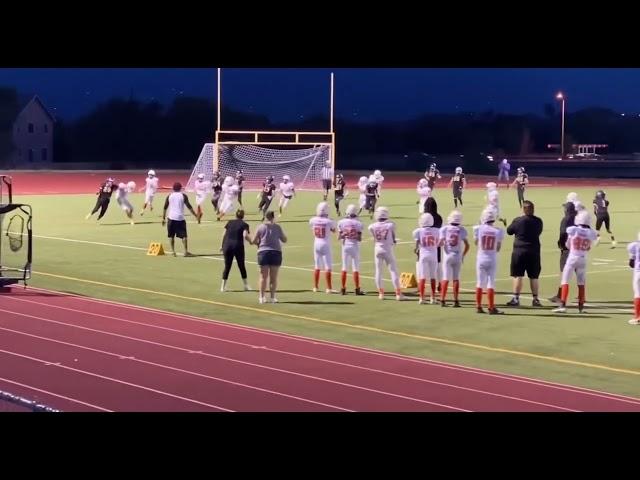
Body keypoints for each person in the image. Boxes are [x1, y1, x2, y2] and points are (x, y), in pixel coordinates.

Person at [553, 211, 598, 314]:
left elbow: (568, 245)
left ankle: (562, 305)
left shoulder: (573, 230)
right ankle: (581, 307)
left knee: (565, 280)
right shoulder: (590, 233)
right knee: (581, 283)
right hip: (583, 258)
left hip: (572, 257)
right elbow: (589, 246)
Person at [505, 200, 543, 307]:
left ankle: (516, 298)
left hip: (519, 251)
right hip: (534, 251)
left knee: (518, 275)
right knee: (534, 276)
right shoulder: (538, 221)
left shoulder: (518, 221)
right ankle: (535, 299)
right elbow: (539, 231)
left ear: (524, 209)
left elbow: (509, 231)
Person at [368, 206, 405, 301]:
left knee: (378, 271)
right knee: (393, 271)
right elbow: (393, 235)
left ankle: (381, 293)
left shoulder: (372, 226)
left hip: (377, 249)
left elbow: (373, 234)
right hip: (387, 249)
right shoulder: (391, 225)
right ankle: (398, 293)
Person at [251, 211, 287, 304]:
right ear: (273, 217)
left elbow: (253, 240)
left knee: (263, 276)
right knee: (273, 277)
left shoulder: (260, 227)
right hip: (276, 252)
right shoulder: (277, 227)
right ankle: (272, 297)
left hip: (263, 252)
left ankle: (261, 297)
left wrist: (259, 243)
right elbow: (284, 239)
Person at [473, 207, 504, 314]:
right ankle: (491, 307)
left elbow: (476, 242)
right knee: (491, 283)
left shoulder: (479, 229)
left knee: (480, 282)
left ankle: (478, 306)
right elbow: (498, 248)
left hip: (481, 258)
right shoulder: (498, 231)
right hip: (492, 258)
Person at [438, 210, 470, 307]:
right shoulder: (462, 230)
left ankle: (442, 299)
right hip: (457, 256)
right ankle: (456, 300)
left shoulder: (444, 229)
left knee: (445, 279)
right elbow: (467, 245)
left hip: (447, 256)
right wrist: (463, 255)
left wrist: (443, 243)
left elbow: (440, 243)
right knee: (456, 279)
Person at [548, 201, 577, 304]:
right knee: (579, 274)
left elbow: (563, 233)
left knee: (563, 272)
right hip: (578, 249)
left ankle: (561, 296)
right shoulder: (577, 218)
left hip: (567, 249)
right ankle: (581, 297)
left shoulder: (566, 220)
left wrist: (561, 244)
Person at [162, 182, 197, 257]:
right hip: (180, 218)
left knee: (171, 236)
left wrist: (163, 218)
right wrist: (195, 215)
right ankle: (185, 252)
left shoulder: (169, 196)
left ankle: (173, 252)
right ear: (180, 188)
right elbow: (189, 207)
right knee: (184, 236)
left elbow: (165, 207)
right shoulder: (183, 196)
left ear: (173, 188)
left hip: (171, 218)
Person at [220, 209, 251, 292]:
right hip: (238, 246)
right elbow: (245, 235)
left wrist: (221, 245)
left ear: (235, 215)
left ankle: (222, 287)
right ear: (243, 216)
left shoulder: (229, 222)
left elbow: (224, 234)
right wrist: (251, 241)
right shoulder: (245, 224)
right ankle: (246, 286)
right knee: (241, 266)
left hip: (227, 246)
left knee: (227, 266)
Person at [309, 201, 337, 293]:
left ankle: (315, 287)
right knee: (328, 266)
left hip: (316, 243)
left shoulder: (312, 220)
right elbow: (334, 230)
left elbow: (312, 227)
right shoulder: (329, 221)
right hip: (325, 243)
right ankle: (329, 288)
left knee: (317, 266)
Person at [337, 204, 365, 295]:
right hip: (354, 246)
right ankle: (357, 289)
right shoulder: (359, 223)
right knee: (355, 268)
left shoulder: (341, 222)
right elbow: (359, 239)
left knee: (344, 267)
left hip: (345, 246)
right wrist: (354, 234)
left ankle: (343, 288)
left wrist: (346, 234)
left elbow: (339, 237)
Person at [413, 213, 439, 304]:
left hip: (423, 255)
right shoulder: (436, 230)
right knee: (433, 277)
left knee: (422, 277)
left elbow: (416, 245)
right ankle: (433, 298)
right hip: (433, 254)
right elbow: (439, 242)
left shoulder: (418, 231)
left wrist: (416, 249)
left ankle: (422, 298)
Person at [424, 197, 443, 291]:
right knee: (438, 264)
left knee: (423, 265)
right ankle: (440, 283)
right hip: (437, 242)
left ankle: (422, 284)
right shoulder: (438, 217)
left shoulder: (424, 217)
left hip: (426, 244)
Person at [626, 233, 640, 325]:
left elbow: (631, 263)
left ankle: (637, 317)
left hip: (639, 272)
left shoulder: (634, 246)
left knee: (638, 293)